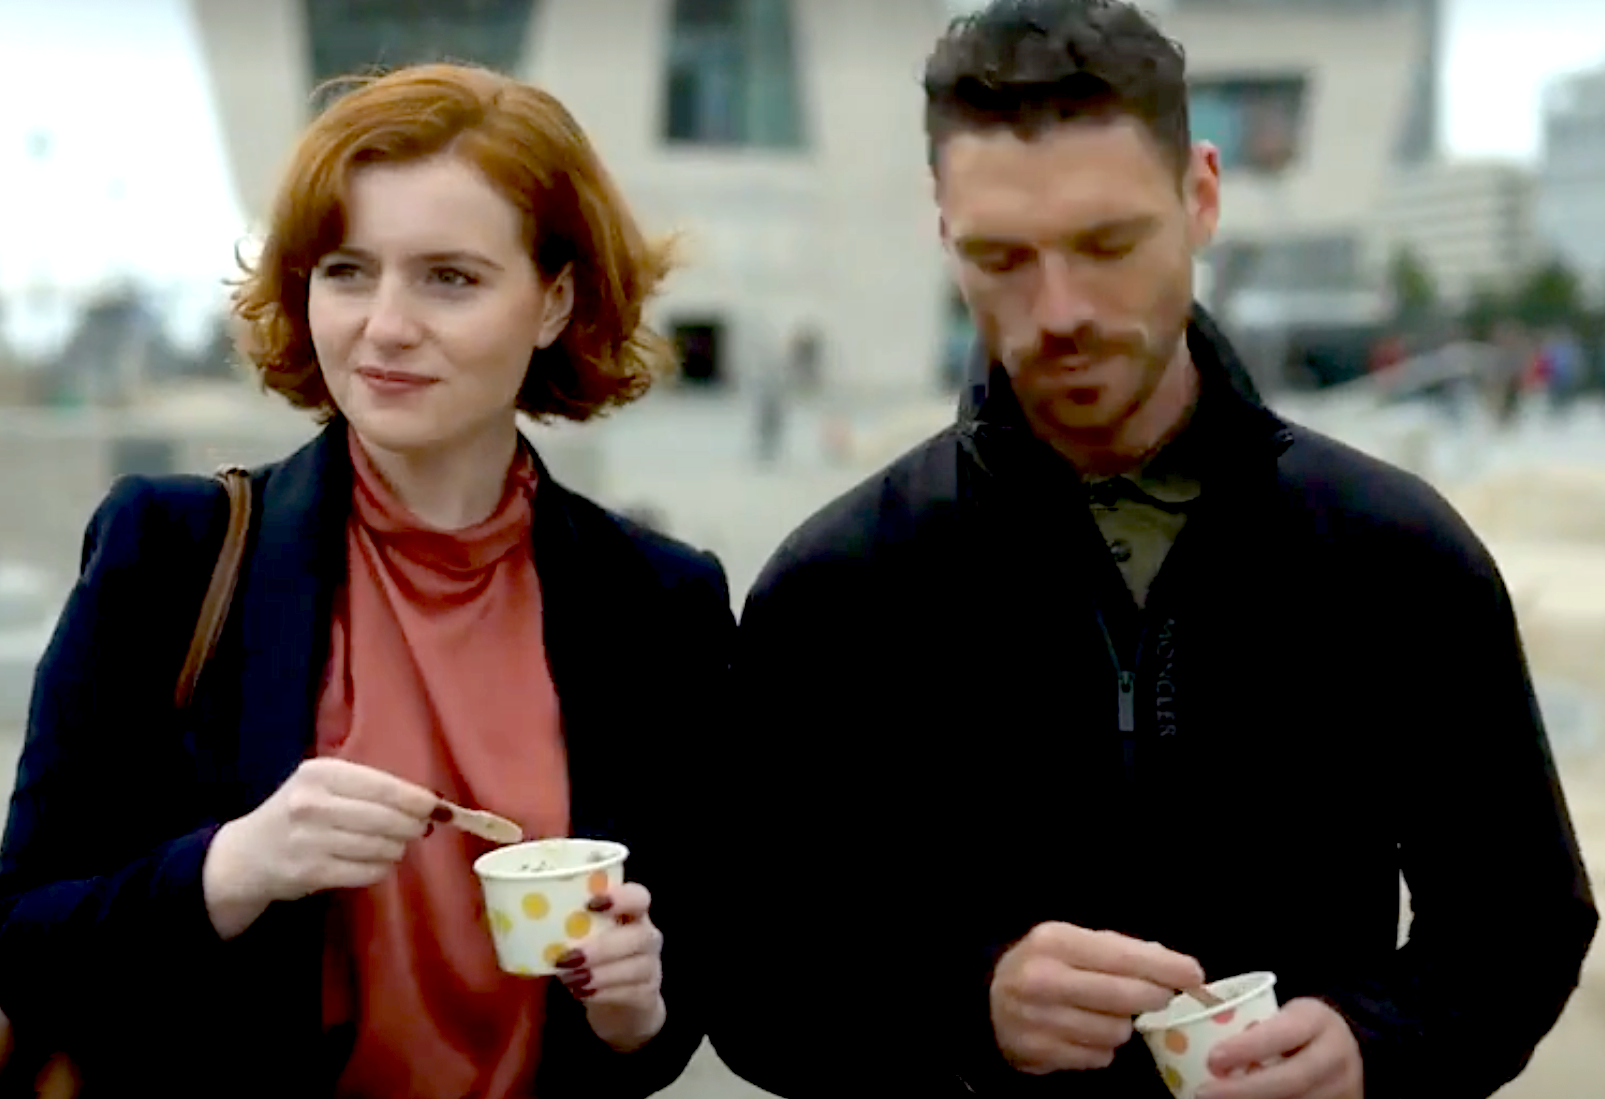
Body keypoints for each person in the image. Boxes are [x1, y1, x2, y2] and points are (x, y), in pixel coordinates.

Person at [713, 3, 1597, 1098]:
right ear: (944, 236)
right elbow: (747, 975)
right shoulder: (836, 585)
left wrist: (1375, 1043)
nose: (1059, 311)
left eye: (1107, 244)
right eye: (1003, 257)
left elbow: (1523, 922)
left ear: (1201, 197)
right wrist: (968, 1003)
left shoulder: (1393, 550)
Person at [0, 63, 732, 1099]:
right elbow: (22, 945)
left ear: (555, 301)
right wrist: (232, 867)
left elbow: (670, 1008)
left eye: (449, 278)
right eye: (347, 270)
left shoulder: (657, 601)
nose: (385, 324)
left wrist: (634, 1010)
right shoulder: (170, 552)